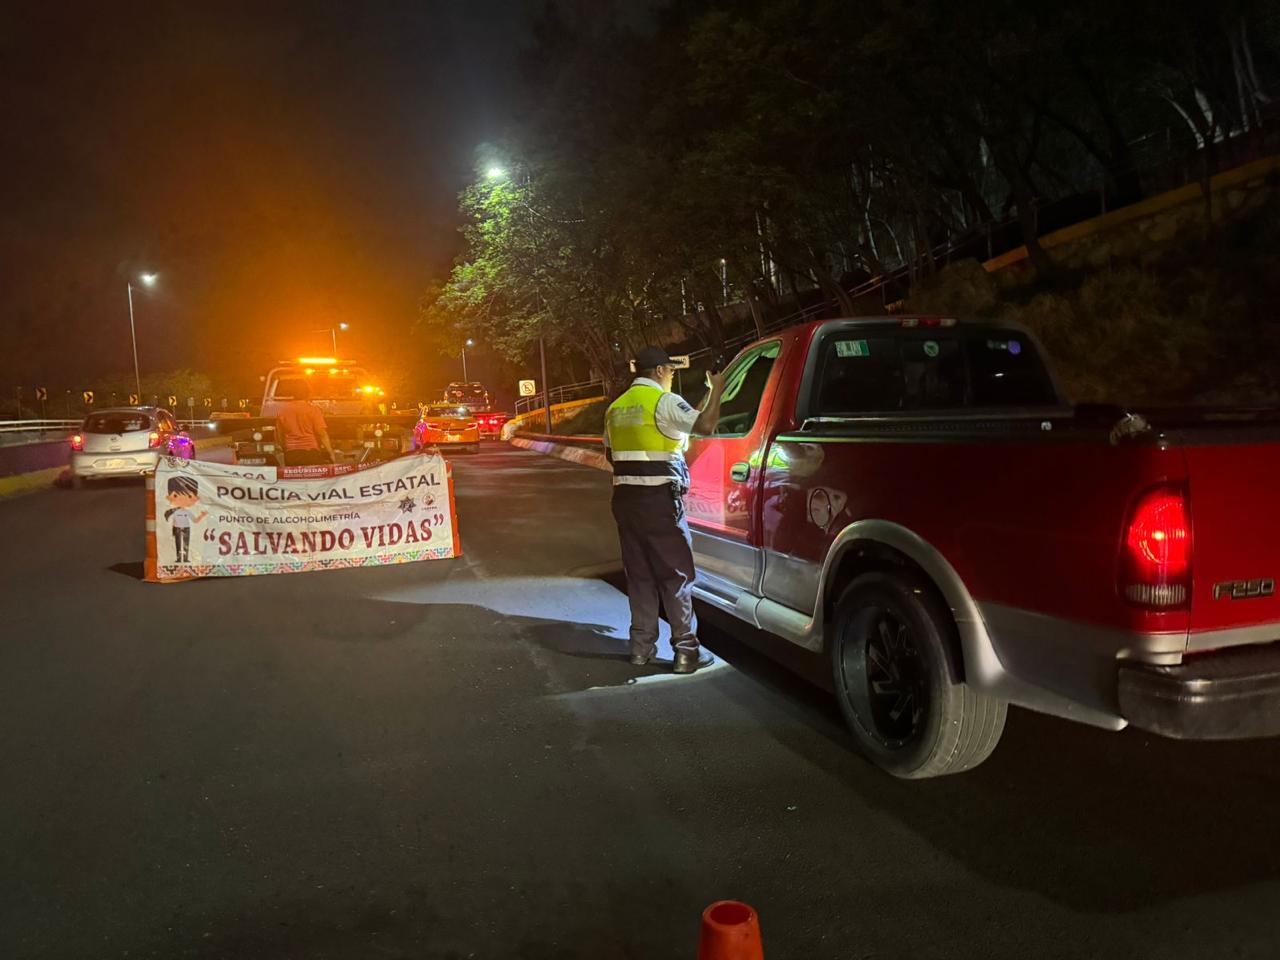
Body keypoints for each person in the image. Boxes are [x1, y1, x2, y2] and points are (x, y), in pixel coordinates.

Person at [604, 346, 726, 674]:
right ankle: (686, 651)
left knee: (640, 576)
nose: (672, 377)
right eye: (671, 372)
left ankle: (640, 649)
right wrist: (718, 391)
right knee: (676, 576)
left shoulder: (616, 408)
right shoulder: (663, 401)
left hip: (625, 503)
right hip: (660, 502)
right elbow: (706, 426)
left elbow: (610, 455)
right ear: (659, 371)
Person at [277, 378, 334, 466]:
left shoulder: (283, 411)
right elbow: (321, 433)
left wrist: (285, 449)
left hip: (292, 454)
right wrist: (330, 452)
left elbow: (280, 436)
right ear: (308, 393)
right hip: (311, 453)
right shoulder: (313, 410)